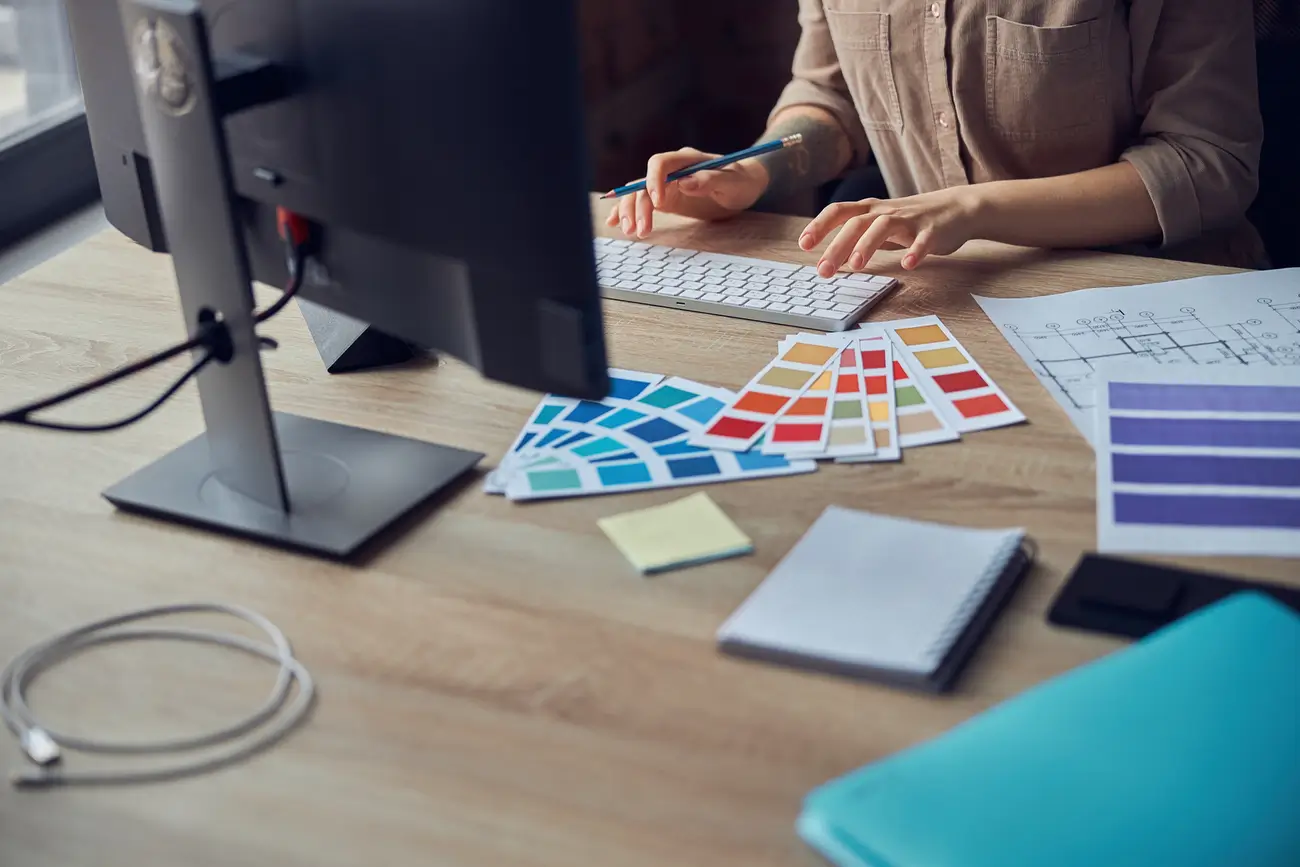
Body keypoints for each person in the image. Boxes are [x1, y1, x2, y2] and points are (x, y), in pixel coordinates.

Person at [608, 0, 1268, 273]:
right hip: (943, 290)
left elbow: (1207, 162)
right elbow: (833, 98)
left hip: (1151, 288)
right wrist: (754, 173)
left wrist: (970, 208)